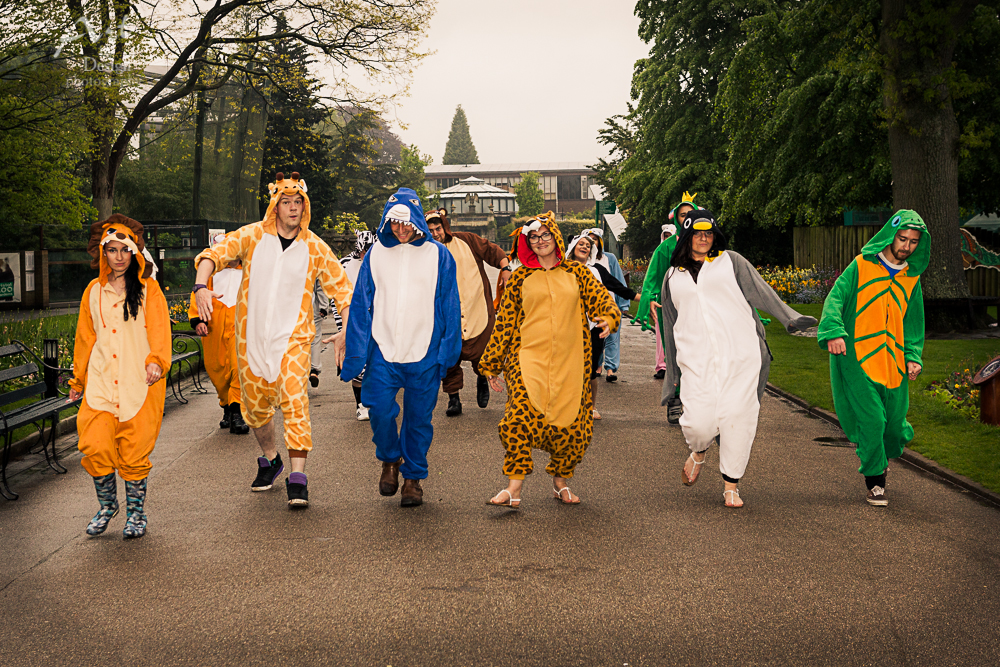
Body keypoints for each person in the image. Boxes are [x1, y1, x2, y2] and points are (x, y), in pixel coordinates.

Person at [194, 172, 353, 509]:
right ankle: (270, 459)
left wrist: (346, 331)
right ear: (276, 206)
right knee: (256, 411)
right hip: (251, 342)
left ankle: (298, 478)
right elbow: (215, 254)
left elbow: (343, 290)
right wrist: (200, 285)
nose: (293, 208)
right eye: (286, 202)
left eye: (298, 203)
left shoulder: (314, 247)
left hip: (293, 341)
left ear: (304, 207)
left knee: (296, 403)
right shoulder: (252, 237)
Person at [658, 209, 816, 508]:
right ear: (686, 237)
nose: (703, 239)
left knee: (736, 418)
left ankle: (731, 485)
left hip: (741, 355)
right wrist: (672, 373)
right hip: (696, 360)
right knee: (698, 424)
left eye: (709, 233)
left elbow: (762, 293)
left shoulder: (730, 261)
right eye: (697, 233)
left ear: (714, 235)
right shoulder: (672, 276)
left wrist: (790, 318)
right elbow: (669, 324)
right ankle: (699, 451)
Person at [480, 212, 621, 509]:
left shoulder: (578, 273)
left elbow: (602, 300)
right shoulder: (519, 278)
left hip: (572, 361)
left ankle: (560, 481)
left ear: (555, 238)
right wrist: (492, 364)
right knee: (517, 419)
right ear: (526, 242)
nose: (541, 241)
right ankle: (513, 487)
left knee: (572, 426)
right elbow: (504, 322)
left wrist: (609, 317)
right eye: (534, 237)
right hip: (527, 359)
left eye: (545, 235)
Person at [341, 188, 461, 508]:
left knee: (419, 419)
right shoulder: (377, 255)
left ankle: (413, 479)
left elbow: (450, 304)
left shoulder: (439, 256)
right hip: (384, 350)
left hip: (425, 351)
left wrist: (449, 351)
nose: (400, 229)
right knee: (378, 409)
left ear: (418, 220)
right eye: (394, 222)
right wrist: (355, 352)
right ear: (386, 221)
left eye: (406, 222)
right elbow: (361, 303)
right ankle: (390, 459)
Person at [69, 215, 171, 539]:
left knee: (134, 452)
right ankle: (107, 505)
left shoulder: (148, 291)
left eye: (124, 250)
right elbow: (84, 338)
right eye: (111, 250)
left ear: (134, 253)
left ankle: (137, 514)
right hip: (101, 382)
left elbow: (159, 329)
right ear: (103, 253)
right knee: (95, 444)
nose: (118, 257)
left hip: (137, 383)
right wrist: (78, 379)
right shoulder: (93, 292)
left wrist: (156, 361)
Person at [818, 210, 928, 507]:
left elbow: (914, 323)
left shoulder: (911, 279)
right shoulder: (862, 265)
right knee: (873, 420)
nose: (906, 246)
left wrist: (913, 355)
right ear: (890, 236)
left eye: (913, 241)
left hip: (892, 363)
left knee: (892, 425)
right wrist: (834, 332)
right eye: (902, 238)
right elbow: (836, 299)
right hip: (855, 357)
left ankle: (881, 452)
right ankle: (876, 480)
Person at [425, 208, 511, 416]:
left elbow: (493, 251)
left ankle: (482, 377)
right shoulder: (424, 253)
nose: (436, 233)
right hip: (446, 316)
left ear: (445, 226)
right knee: (448, 359)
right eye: (431, 230)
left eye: (438, 228)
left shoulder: (467, 240)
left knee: (482, 352)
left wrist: (506, 269)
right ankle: (454, 399)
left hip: (476, 308)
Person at [565, 233, 639, 420]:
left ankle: (590, 407)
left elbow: (617, 286)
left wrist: (642, 298)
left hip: (594, 325)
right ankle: (567, 406)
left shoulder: (597, 269)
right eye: (580, 244)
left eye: (588, 246)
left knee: (590, 369)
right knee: (567, 368)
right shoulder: (562, 269)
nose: (584, 247)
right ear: (573, 247)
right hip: (567, 326)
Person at [187, 233, 249, 434]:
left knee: (238, 367)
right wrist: (198, 320)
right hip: (214, 329)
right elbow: (197, 296)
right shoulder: (210, 275)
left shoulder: (249, 272)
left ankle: (237, 412)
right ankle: (226, 406)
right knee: (217, 371)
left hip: (240, 329)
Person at [328, 230, 376, 421]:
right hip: (353, 318)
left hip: (377, 317)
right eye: (363, 250)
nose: (366, 254)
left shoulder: (380, 261)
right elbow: (336, 297)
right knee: (357, 362)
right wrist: (342, 325)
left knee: (376, 362)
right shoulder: (344, 265)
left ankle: (374, 400)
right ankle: (360, 404)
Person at [581, 228, 630, 383]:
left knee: (612, 338)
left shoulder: (609, 258)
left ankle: (610, 368)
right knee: (596, 337)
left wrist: (624, 303)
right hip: (592, 308)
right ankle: (597, 365)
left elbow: (618, 281)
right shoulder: (584, 261)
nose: (592, 242)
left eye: (595, 239)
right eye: (589, 239)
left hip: (611, 305)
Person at [309, 278, 330, 388]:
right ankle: (314, 370)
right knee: (315, 338)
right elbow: (320, 284)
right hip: (312, 306)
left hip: (291, 308)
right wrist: (324, 306)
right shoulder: (313, 260)